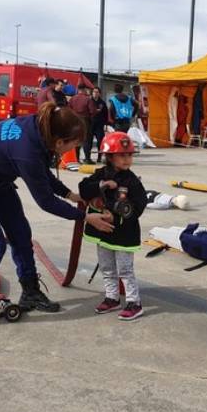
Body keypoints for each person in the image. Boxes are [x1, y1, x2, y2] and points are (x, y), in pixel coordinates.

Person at [0, 102, 115, 334]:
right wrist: (84, 217)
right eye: (72, 145)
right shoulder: (26, 149)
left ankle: (30, 292)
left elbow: (42, 173)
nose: (71, 150)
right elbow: (45, 201)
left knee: (21, 235)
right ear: (59, 142)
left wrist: (69, 194)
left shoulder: (41, 129)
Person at [79, 132, 147, 320]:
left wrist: (116, 213)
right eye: (122, 155)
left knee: (125, 270)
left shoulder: (132, 181)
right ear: (109, 157)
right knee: (107, 267)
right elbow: (83, 188)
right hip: (103, 233)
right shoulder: (100, 174)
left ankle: (135, 303)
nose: (127, 159)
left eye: (130, 155)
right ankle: (112, 298)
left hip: (123, 234)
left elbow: (139, 205)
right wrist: (101, 185)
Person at [68, 83, 97, 163]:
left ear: (78, 89)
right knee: (86, 140)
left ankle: (76, 158)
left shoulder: (72, 99)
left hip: (74, 120)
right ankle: (87, 158)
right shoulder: (88, 99)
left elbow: (68, 110)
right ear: (84, 89)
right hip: (85, 120)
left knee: (76, 140)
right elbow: (93, 111)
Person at [90, 87, 108, 163]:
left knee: (100, 141)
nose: (95, 93)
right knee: (88, 141)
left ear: (99, 93)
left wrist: (105, 124)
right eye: (94, 92)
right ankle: (88, 157)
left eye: (97, 92)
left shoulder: (102, 103)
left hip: (99, 124)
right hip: (90, 123)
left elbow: (105, 114)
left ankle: (99, 157)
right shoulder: (89, 101)